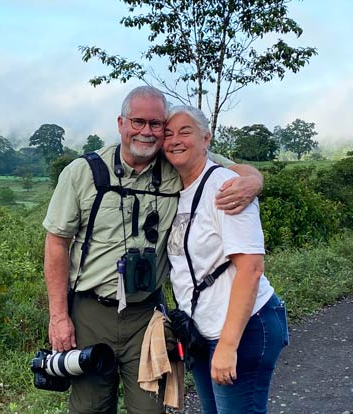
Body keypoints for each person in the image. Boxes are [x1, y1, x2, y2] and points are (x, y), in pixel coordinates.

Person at [42, 85, 263, 413]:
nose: (147, 131)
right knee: (89, 407)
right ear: (121, 124)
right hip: (91, 311)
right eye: (138, 122)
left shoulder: (175, 162)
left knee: (150, 408)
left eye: (156, 124)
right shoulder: (84, 173)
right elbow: (57, 244)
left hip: (147, 313)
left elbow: (234, 170)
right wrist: (59, 317)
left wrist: (254, 180)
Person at [163, 105, 288, 413]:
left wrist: (228, 346)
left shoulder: (225, 187)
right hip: (203, 331)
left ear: (207, 139)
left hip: (243, 329)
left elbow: (251, 268)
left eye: (185, 131)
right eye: (168, 133)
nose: (175, 139)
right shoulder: (180, 190)